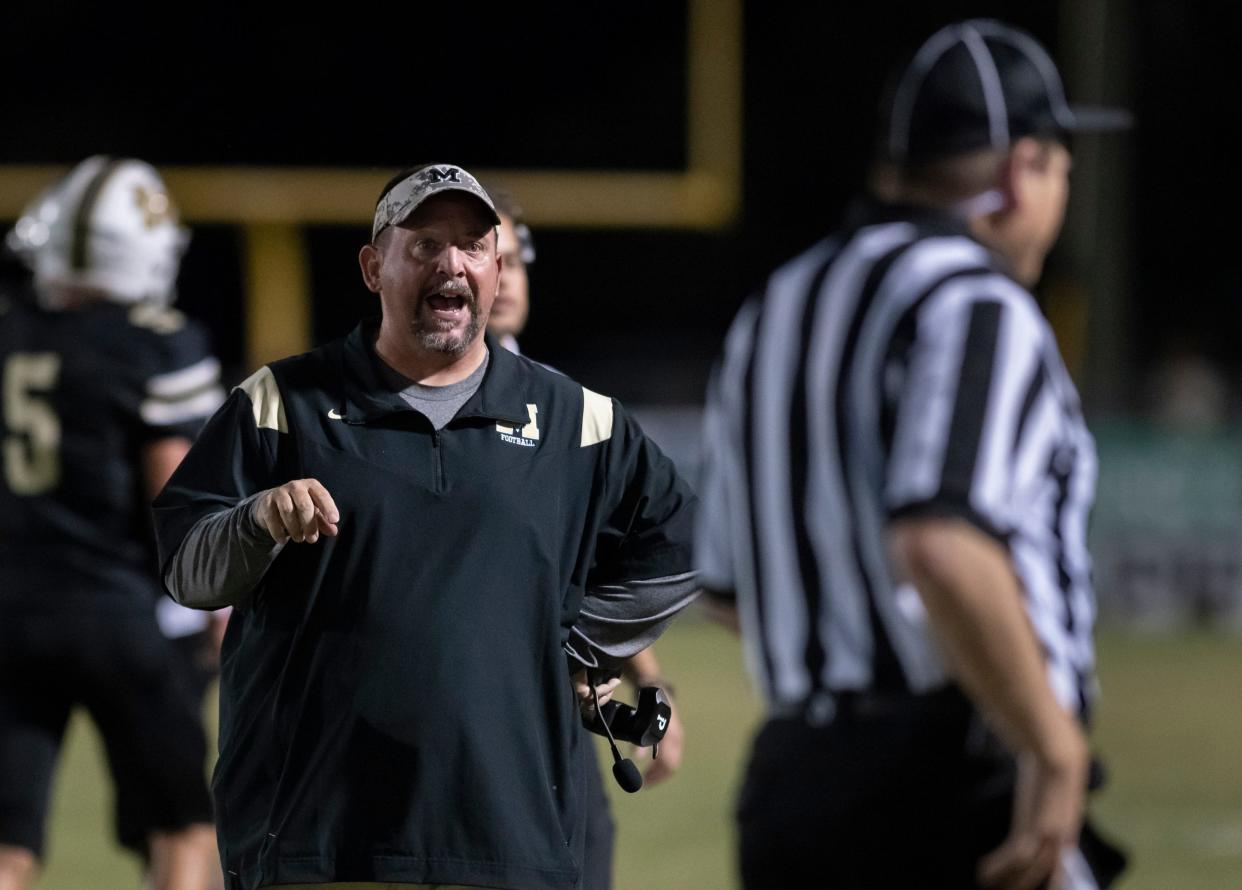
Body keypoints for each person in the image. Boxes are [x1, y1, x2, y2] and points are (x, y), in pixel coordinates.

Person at [152, 162, 699, 890]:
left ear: (497, 268)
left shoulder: (579, 423)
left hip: (508, 837)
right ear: (375, 268)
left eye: (474, 245)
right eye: (425, 245)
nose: (452, 263)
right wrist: (257, 521)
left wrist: (568, 646)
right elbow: (186, 566)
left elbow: (683, 546)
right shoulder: (281, 404)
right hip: (320, 838)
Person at [695, 20, 1129, 890]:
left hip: (793, 788)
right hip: (951, 781)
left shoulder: (776, 308)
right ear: (1020, 171)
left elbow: (727, 585)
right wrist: (1049, 745)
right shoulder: (976, 305)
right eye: (1061, 168)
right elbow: (941, 541)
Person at [0, 156, 225, 890]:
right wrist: (217, 593)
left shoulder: (10, 330)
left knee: (9, 840)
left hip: (11, 609)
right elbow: (173, 490)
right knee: (184, 826)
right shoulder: (154, 339)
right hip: (117, 614)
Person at [487, 189, 687, 889]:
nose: (507, 278)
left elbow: (607, 566)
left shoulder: (566, 409)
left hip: (563, 723)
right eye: (493, 259)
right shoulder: (407, 408)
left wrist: (651, 685)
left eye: (518, 260)